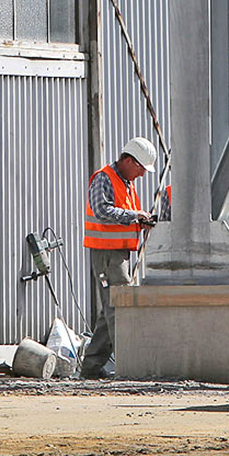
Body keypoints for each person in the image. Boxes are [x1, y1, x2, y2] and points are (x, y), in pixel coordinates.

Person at [80, 136, 158, 379]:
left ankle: (91, 368)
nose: (142, 175)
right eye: (141, 168)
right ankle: (127, 366)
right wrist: (135, 216)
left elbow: (123, 215)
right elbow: (102, 210)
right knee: (119, 307)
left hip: (118, 253)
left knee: (110, 308)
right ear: (128, 160)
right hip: (106, 254)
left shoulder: (126, 182)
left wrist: (141, 220)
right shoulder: (104, 177)